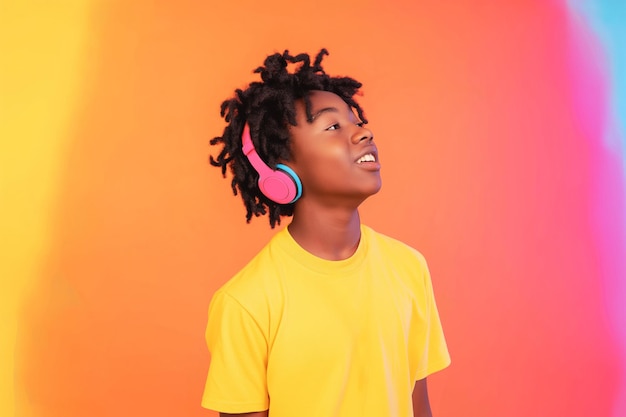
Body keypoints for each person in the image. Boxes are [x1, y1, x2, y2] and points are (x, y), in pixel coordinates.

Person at [202, 49, 450, 417]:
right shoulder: (247, 302)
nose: (363, 132)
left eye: (356, 121)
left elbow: (418, 407)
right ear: (279, 175)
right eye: (333, 127)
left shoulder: (408, 268)